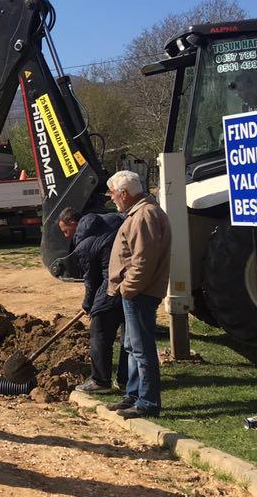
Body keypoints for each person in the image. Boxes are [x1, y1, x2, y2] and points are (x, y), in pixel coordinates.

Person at [104, 171, 172, 419]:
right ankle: (133, 396)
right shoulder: (140, 213)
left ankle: (148, 402)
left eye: (113, 193)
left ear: (124, 193)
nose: (112, 198)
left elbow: (143, 260)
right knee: (132, 346)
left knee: (142, 349)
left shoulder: (144, 215)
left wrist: (127, 289)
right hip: (136, 293)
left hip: (140, 294)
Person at [56, 207, 128, 394]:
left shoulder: (84, 244)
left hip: (111, 284)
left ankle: (100, 381)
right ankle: (125, 380)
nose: (66, 236)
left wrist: (88, 304)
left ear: (73, 224)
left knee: (99, 330)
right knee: (128, 335)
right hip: (133, 282)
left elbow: (91, 279)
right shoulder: (109, 219)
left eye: (65, 231)